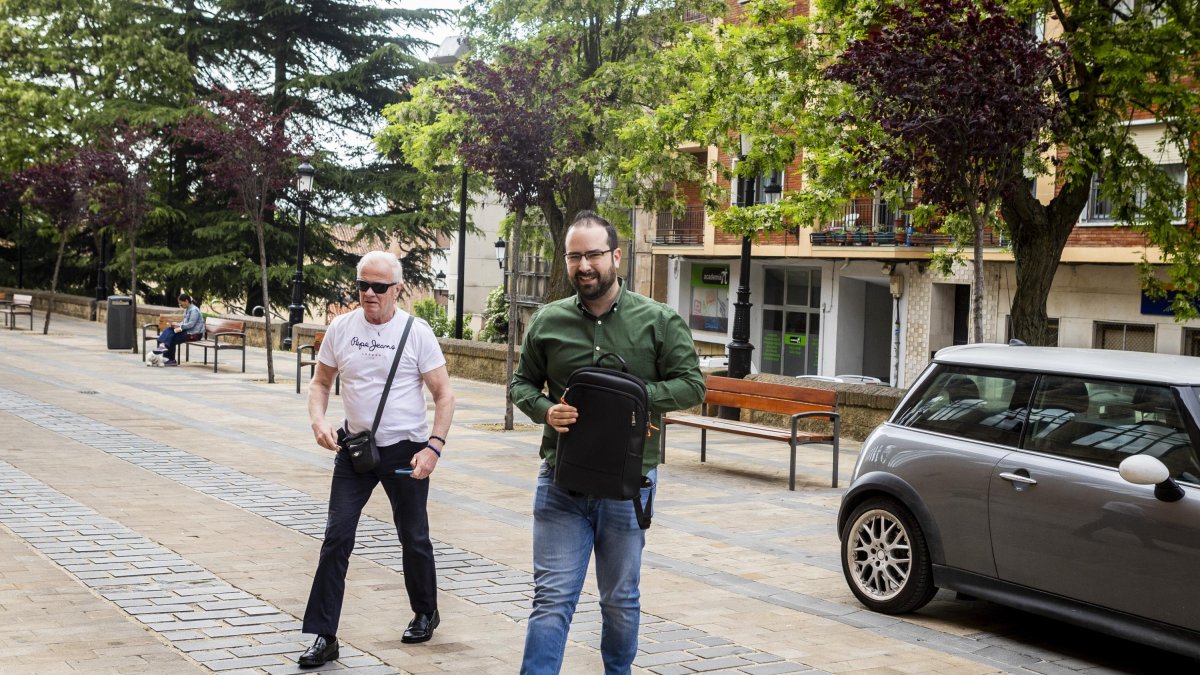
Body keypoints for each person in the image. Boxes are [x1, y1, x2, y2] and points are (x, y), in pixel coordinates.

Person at [511, 211, 704, 674]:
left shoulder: (658, 321)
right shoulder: (548, 321)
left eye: (594, 254)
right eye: (575, 256)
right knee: (552, 598)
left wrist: (633, 400)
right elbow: (521, 385)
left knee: (620, 600)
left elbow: (693, 386)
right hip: (561, 482)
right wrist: (544, 410)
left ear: (616, 256)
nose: (584, 265)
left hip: (628, 485)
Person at [297, 250, 455, 668]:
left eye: (379, 287)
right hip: (354, 449)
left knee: (413, 536)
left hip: (406, 451)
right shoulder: (341, 328)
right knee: (336, 538)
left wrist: (433, 448)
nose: (369, 293)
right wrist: (319, 422)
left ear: (397, 289)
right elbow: (320, 383)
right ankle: (323, 635)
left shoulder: (416, 332)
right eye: (363, 285)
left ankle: (425, 611)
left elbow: (444, 395)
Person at [153, 293, 204, 366]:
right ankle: (167, 357)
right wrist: (177, 324)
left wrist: (179, 326)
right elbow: (184, 322)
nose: (180, 306)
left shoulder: (194, 310)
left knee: (172, 338)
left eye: (181, 304)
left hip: (194, 334)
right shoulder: (187, 309)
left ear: (186, 301)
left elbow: (191, 324)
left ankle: (170, 359)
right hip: (187, 331)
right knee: (169, 330)